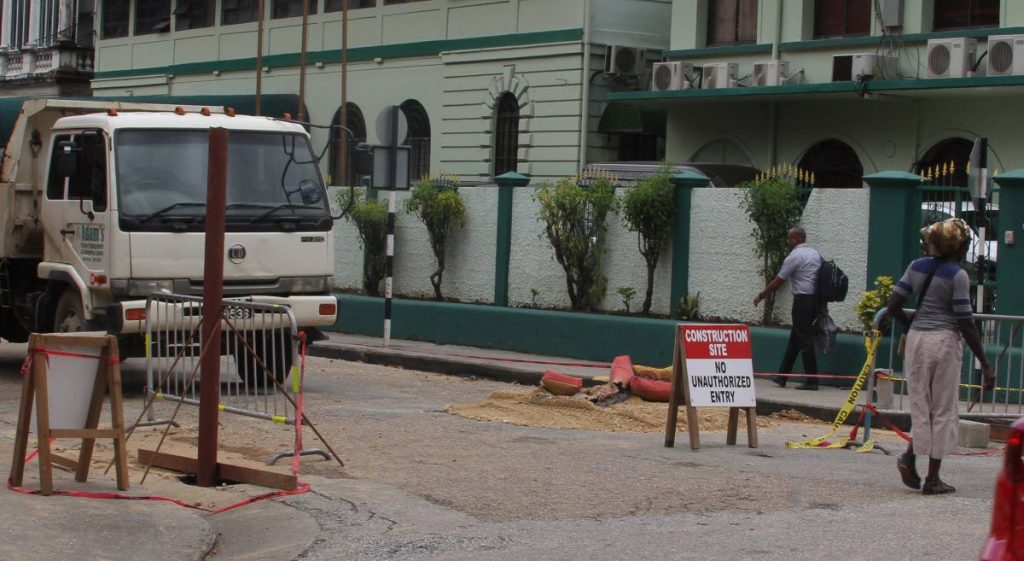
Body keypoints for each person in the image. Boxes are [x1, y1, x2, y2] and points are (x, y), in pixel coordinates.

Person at [885, 218, 993, 495]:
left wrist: (910, 327)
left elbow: (893, 304)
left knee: (922, 406)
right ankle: (933, 478)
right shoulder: (958, 275)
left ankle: (909, 456)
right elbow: (966, 322)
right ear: (959, 247)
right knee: (943, 409)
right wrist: (985, 363)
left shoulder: (916, 266)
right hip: (944, 341)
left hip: (917, 341)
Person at [753, 226, 822, 391]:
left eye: (789, 238)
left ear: (797, 239)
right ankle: (782, 376)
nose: (787, 241)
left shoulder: (795, 256)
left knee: (804, 340)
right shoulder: (815, 254)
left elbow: (778, 281)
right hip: (814, 301)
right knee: (796, 338)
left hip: (802, 302)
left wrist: (762, 295)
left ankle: (812, 380)